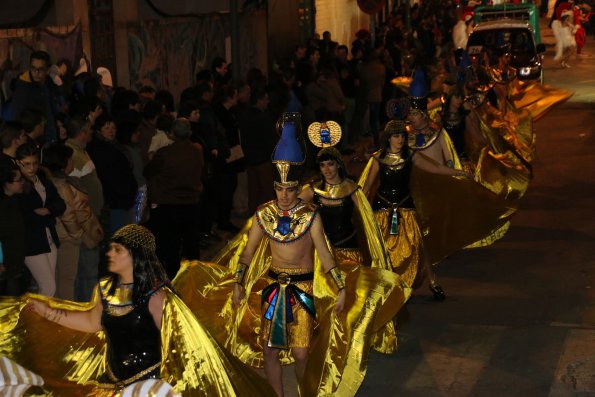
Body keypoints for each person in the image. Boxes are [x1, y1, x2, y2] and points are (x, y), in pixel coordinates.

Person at [2, 224, 275, 396]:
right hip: (111, 382)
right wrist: (47, 311)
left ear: (135, 255)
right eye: (110, 249)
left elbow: (179, 347)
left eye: (117, 250)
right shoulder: (105, 289)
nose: (110, 254)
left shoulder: (158, 298)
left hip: (149, 386)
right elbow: (91, 322)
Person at [361, 120, 444, 299]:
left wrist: (458, 173)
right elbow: (367, 188)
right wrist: (359, 208)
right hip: (381, 208)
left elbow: (435, 168)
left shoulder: (411, 155)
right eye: (396, 136)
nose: (400, 139)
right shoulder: (378, 158)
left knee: (418, 243)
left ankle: (433, 282)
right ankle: (383, 283)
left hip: (406, 206)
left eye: (402, 136)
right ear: (388, 138)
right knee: (381, 248)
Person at [42, 144, 103, 300]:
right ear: (63, 163)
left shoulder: (51, 182)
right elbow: (68, 214)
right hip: (67, 238)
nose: (72, 163)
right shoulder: (62, 185)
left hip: (59, 236)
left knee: (58, 279)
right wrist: (77, 234)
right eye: (69, 159)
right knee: (67, 280)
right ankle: (67, 316)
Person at [16, 143, 66, 297]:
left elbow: (60, 204)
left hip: (49, 238)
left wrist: (48, 210)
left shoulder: (42, 181)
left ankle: (42, 317)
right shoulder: (17, 184)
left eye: (35, 163)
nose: (31, 168)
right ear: (18, 163)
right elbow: (22, 215)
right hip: (31, 242)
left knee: (49, 286)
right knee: (48, 286)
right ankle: (38, 319)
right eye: (27, 164)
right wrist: (47, 213)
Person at [0, 159, 26, 296]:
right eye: (19, 180)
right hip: (5, 265)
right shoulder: (3, 206)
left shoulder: (16, 201)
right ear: (6, 183)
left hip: (15, 262)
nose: (22, 182)